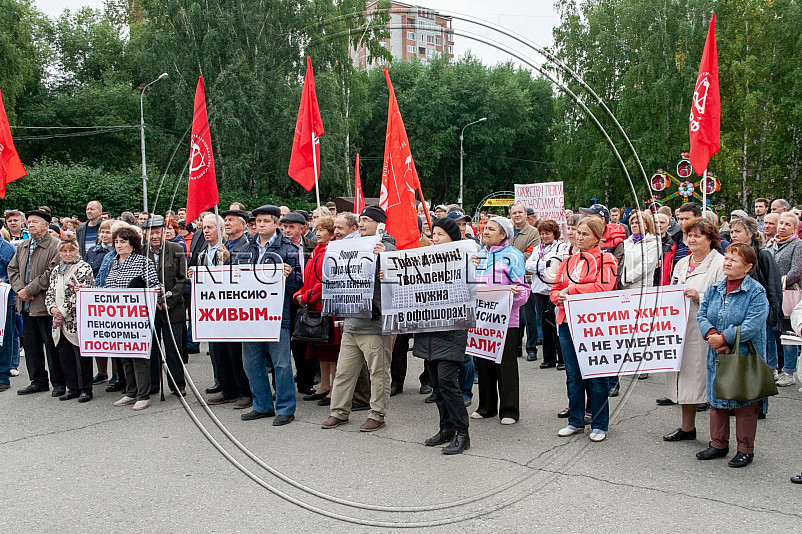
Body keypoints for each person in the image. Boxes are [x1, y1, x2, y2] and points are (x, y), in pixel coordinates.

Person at [321, 205, 397, 432]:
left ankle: (377, 414)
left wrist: (387, 261)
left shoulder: (388, 248)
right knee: (344, 372)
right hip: (352, 322)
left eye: (366, 220)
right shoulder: (349, 246)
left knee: (378, 373)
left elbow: (398, 279)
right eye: (360, 220)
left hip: (374, 323)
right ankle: (339, 412)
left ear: (380, 224)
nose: (361, 224)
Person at [695, 243, 769, 467]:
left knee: (744, 401)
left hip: (744, 355)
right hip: (716, 353)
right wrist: (711, 335)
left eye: (733, 260)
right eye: (726, 258)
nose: (727, 262)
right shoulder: (714, 288)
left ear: (748, 266)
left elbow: (753, 324)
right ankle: (718, 444)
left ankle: (745, 449)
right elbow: (702, 314)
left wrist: (725, 338)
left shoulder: (756, 291)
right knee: (717, 400)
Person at [551, 217, 618, 442]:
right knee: (573, 375)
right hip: (567, 322)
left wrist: (571, 290)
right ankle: (576, 421)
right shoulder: (568, 260)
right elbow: (555, 288)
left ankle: (599, 423)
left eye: (585, 234)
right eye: (578, 233)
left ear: (598, 238)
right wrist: (558, 297)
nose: (579, 237)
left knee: (597, 375)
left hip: (593, 325)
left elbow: (603, 286)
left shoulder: (606, 258)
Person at [237, 205, 303, 425]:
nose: (261, 225)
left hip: (277, 315)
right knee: (251, 362)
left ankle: (285, 408)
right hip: (250, 317)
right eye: (258, 221)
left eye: (266, 221)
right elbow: (234, 280)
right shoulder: (246, 248)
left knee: (281, 363)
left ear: (277, 223)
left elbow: (297, 286)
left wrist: (290, 275)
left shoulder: (288, 248)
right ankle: (262, 405)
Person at [661, 218, 724, 439]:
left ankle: (718, 437)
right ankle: (687, 427)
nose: (692, 239)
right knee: (684, 378)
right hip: (679, 329)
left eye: (698, 235)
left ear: (711, 239)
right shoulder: (682, 263)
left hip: (705, 330)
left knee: (707, 383)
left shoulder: (719, 264)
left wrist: (700, 296)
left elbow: (724, 299)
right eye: (689, 235)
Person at [413, 216, 471, 454]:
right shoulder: (424, 260)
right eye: (433, 234)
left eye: (440, 235)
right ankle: (446, 428)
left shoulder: (464, 258)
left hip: (451, 329)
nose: (435, 239)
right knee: (437, 383)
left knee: (448, 381)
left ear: (452, 238)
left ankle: (463, 433)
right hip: (428, 329)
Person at [472, 216, 530, 425]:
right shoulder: (477, 256)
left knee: (505, 365)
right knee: (483, 361)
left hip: (506, 320)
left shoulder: (513, 257)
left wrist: (514, 293)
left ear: (503, 234)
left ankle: (509, 410)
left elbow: (524, 291)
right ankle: (486, 406)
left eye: (491, 229)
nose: (485, 231)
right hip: (481, 320)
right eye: (485, 228)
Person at [198, 213, 252, 408]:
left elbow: (247, 273)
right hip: (216, 308)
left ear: (243, 225)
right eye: (226, 220)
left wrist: (230, 259)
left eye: (231, 220)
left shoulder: (247, 245)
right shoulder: (219, 246)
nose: (227, 223)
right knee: (218, 351)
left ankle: (245, 391)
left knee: (236, 352)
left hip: (237, 308)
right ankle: (228, 389)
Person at [105, 225, 159, 411]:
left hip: (137, 317)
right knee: (124, 355)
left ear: (133, 244)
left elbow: (154, 286)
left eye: (123, 242)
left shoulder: (143, 262)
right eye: (116, 242)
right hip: (117, 316)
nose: (118, 245)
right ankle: (131, 391)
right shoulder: (113, 262)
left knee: (139, 356)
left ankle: (143, 394)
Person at [9, 209, 62, 396]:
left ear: (46, 225)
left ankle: (58, 382)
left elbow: (51, 273)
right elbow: (12, 269)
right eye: (29, 222)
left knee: (51, 344)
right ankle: (38, 380)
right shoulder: (23, 245)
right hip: (25, 304)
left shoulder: (55, 245)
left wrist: (29, 290)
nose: (31, 225)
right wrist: (20, 290)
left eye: (35, 222)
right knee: (31, 346)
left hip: (44, 304)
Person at [293, 216, 340, 406]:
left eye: (322, 230)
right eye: (317, 229)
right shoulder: (316, 251)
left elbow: (328, 281)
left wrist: (306, 296)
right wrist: (299, 293)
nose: (318, 233)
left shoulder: (332, 251)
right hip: (313, 306)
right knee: (320, 348)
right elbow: (309, 278)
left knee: (331, 348)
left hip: (326, 306)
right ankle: (324, 386)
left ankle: (335, 389)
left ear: (331, 233)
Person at [729, 217, 783, 377]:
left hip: (758, 312)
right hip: (736, 312)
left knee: (758, 355)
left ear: (751, 233)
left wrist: (773, 315)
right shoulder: (730, 254)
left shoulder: (763, 255)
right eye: (731, 231)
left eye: (738, 231)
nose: (733, 235)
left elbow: (773, 286)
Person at [45, 234, 95, 402]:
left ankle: (85, 389)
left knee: (81, 355)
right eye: (64, 251)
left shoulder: (83, 267)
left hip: (76, 318)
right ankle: (72, 387)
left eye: (71, 250)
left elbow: (80, 293)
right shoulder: (56, 270)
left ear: (77, 251)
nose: (68, 254)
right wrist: (52, 309)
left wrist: (62, 312)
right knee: (64, 355)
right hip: (59, 320)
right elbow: (50, 292)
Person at [142, 216, 188, 397]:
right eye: (151, 232)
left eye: (158, 232)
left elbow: (182, 279)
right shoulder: (140, 252)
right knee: (152, 348)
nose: (154, 236)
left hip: (173, 307)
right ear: (145, 234)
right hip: (150, 308)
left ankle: (178, 384)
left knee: (173, 348)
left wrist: (168, 302)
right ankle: (153, 384)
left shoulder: (176, 249)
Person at [281, 210, 317, 396]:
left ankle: (306, 383)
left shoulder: (313, 246)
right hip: (285, 300)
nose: (287, 230)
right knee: (283, 345)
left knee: (305, 342)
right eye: (284, 227)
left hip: (307, 299)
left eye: (291, 227)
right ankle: (281, 385)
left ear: (303, 228)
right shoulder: (277, 247)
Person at [525, 220, 566, 370]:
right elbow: (528, 265)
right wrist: (544, 265)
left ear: (554, 233)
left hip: (553, 290)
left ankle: (562, 358)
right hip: (539, 290)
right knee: (544, 325)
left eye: (547, 233)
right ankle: (548, 358)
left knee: (556, 324)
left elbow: (557, 265)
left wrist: (540, 265)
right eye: (542, 233)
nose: (544, 236)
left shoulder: (561, 247)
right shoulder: (537, 249)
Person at [767, 211, 802, 386]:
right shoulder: (771, 244)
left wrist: (780, 282)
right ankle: (772, 368)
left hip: (787, 293)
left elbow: (796, 270)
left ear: (795, 228)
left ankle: (789, 371)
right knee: (770, 332)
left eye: (788, 224)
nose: (782, 227)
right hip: (771, 295)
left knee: (788, 334)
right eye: (781, 223)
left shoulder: (798, 245)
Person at [509, 203, 541, 362]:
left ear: (526, 214)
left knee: (529, 316)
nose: (517, 215)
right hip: (508, 280)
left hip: (526, 279)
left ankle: (531, 348)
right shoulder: (507, 231)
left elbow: (530, 256)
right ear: (510, 215)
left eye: (520, 212)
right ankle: (516, 347)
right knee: (515, 317)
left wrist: (508, 258)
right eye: (514, 212)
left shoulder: (533, 232)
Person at [0, 236, 17, 392]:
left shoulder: (7, 249)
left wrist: (3, 280)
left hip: (4, 299)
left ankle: (3, 376)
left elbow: (13, 273)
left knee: (4, 338)